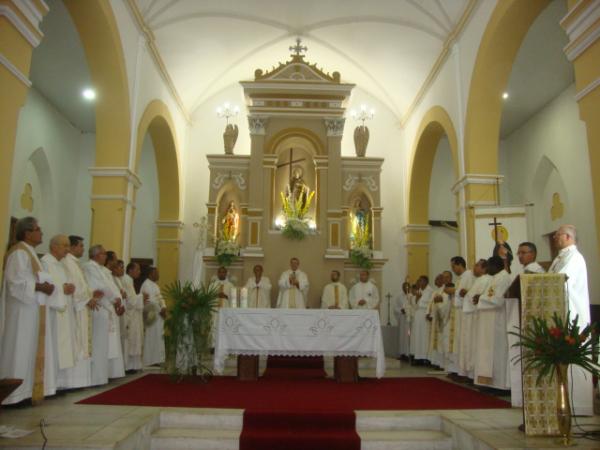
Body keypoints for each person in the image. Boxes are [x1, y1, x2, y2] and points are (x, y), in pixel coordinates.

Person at [0, 217, 55, 405]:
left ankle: (25, 392)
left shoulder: (30, 252)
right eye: (38, 229)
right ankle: (12, 395)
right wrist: (40, 287)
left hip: (31, 309)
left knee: (29, 349)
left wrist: (44, 286)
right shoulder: (18, 253)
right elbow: (14, 283)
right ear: (27, 233)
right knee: (18, 349)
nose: (42, 233)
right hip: (20, 312)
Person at [549, 224, 593, 415]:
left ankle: (575, 404)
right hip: (559, 311)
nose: (554, 238)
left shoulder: (575, 257)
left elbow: (560, 279)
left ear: (567, 237)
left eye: (557, 235)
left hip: (571, 314)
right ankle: (561, 401)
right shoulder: (561, 257)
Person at [61, 235, 102, 388]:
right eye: (80, 246)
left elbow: (82, 286)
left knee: (82, 342)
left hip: (82, 307)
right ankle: (72, 382)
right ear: (72, 247)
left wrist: (91, 294)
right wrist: (86, 299)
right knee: (77, 343)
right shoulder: (67, 263)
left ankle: (80, 381)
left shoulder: (76, 263)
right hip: (75, 309)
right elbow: (72, 287)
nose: (83, 249)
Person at [41, 235, 79, 396]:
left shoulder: (61, 264)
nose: (67, 249)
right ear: (54, 246)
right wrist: (61, 288)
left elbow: (66, 284)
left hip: (64, 310)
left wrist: (70, 287)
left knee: (64, 347)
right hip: (52, 312)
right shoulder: (45, 262)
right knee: (54, 347)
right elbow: (45, 285)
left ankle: (60, 383)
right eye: (65, 246)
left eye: (68, 246)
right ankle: (50, 384)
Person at [82, 245, 125, 385]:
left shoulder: (103, 270)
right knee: (99, 343)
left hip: (109, 307)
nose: (105, 256)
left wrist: (118, 300)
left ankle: (106, 373)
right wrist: (115, 299)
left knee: (108, 343)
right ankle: (97, 377)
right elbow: (99, 286)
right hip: (99, 307)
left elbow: (112, 287)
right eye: (103, 253)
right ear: (96, 255)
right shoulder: (89, 267)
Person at [473, 256, 512, 390]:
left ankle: (499, 385)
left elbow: (498, 300)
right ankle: (488, 382)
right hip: (489, 319)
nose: (487, 268)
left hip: (497, 321)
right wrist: (480, 298)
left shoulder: (504, 277)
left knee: (497, 353)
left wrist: (480, 297)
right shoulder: (495, 278)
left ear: (496, 266)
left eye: (488, 266)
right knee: (489, 352)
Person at [458, 259, 490, 379]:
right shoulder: (478, 280)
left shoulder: (486, 280)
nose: (474, 267)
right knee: (468, 345)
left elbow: (477, 298)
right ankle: (469, 373)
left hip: (475, 317)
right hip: (470, 316)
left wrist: (466, 294)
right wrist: (466, 293)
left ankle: (472, 374)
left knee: (473, 346)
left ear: (484, 268)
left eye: (476, 265)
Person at [445, 257, 475, 374]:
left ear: (460, 264)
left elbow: (466, 292)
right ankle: (457, 370)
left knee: (462, 342)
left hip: (464, 312)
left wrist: (453, 291)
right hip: (457, 313)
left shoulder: (468, 276)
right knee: (457, 342)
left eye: (453, 266)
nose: (453, 269)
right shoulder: (460, 278)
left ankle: (463, 371)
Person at [122, 262, 147, 371]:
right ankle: (129, 366)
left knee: (135, 339)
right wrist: (142, 297)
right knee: (131, 340)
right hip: (130, 316)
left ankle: (134, 365)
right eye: (137, 269)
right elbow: (131, 301)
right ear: (130, 270)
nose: (139, 272)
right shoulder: (127, 280)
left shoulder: (129, 280)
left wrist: (140, 298)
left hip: (134, 316)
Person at [141, 267, 167, 367]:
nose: (158, 275)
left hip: (158, 315)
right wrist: (160, 310)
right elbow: (150, 302)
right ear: (151, 274)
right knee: (151, 337)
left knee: (158, 336)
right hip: (151, 316)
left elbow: (160, 298)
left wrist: (164, 307)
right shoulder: (146, 285)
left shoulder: (155, 285)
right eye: (156, 273)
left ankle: (157, 359)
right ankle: (150, 360)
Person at [426, 274, 448, 368]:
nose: (435, 281)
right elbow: (430, 303)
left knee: (440, 342)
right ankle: (436, 362)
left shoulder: (445, 291)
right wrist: (428, 313)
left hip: (440, 320)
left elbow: (444, 304)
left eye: (437, 279)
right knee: (434, 342)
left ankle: (441, 363)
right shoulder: (436, 291)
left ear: (443, 280)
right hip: (434, 318)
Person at [410, 275, 433, 364]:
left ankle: (425, 357)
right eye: (418, 281)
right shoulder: (419, 290)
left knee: (424, 336)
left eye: (420, 281)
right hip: (417, 315)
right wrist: (417, 299)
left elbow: (429, 303)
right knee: (417, 336)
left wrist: (419, 300)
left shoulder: (430, 291)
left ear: (426, 282)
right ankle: (417, 356)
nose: (419, 283)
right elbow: (414, 304)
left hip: (424, 315)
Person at [395, 281, 414, 359]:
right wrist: (400, 310)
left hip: (410, 320)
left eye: (407, 286)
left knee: (409, 335)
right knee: (402, 336)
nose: (406, 288)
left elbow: (415, 306)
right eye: (404, 287)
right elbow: (395, 307)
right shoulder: (399, 296)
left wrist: (409, 311)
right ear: (402, 287)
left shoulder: (412, 296)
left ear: (409, 287)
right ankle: (402, 353)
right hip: (403, 319)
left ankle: (409, 353)